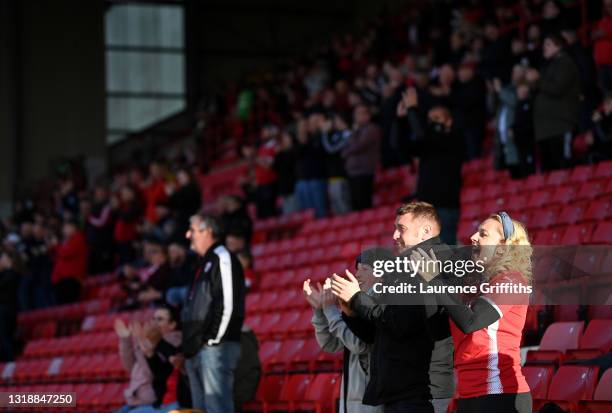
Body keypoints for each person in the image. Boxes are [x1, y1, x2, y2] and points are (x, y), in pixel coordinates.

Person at [331, 202, 456, 413]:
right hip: (398, 393)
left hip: (419, 394)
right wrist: (351, 312)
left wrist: (359, 298)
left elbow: (400, 323)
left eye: (402, 228)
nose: (395, 235)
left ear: (425, 232)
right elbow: (378, 333)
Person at [412, 212, 533, 413]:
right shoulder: (475, 287)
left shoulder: (512, 281)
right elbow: (437, 331)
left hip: (499, 393)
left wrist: (435, 281)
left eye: (483, 234)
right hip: (469, 394)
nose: (473, 238)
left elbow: (471, 322)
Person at [305, 248, 393, 413]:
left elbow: (360, 344)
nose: (358, 275)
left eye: (365, 269)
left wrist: (331, 310)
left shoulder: (382, 305)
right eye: (357, 269)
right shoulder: (360, 304)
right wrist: (319, 311)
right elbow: (331, 345)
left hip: (371, 404)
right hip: (352, 401)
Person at [182, 214, 245, 413]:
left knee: (217, 409)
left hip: (213, 349)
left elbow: (228, 303)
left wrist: (212, 341)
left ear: (207, 231)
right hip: (198, 349)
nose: (187, 234)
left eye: (192, 229)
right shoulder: (204, 262)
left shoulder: (222, 257)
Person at [397, 88, 463, 245]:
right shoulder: (428, 143)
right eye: (430, 119)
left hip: (445, 207)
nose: (433, 122)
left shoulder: (453, 139)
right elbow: (400, 146)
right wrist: (400, 120)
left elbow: (424, 137)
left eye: (437, 118)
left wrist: (412, 109)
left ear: (449, 121)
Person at [114, 306, 182, 413]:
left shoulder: (173, 342)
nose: (154, 322)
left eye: (159, 319)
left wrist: (139, 342)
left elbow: (152, 372)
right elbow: (130, 368)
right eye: (153, 319)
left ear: (172, 324)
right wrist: (125, 340)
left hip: (152, 402)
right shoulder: (150, 340)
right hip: (135, 402)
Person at [531, 33, 581, 171]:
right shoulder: (548, 66)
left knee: (563, 170)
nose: (544, 48)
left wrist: (537, 80)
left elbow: (557, 88)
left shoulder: (565, 63)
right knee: (549, 174)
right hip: (545, 130)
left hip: (560, 126)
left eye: (548, 44)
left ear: (559, 46)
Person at [341, 104, 381, 211]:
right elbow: (346, 149)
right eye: (356, 114)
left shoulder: (371, 129)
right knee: (355, 205)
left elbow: (358, 146)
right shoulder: (357, 131)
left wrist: (350, 134)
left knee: (364, 204)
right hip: (353, 173)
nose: (357, 117)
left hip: (364, 172)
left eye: (361, 113)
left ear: (368, 115)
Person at [51, 219, 88, 304]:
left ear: (73, 227)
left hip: (71, 280)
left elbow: (66, 253)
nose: (64, 230)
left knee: (68, 305)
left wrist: (56, 245)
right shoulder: (67, 241)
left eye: (66, 227)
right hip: (62, 280)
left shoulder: (78, 238)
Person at [321, 113, 352, 215]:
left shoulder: (348, 134)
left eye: (337, 121)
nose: (334, 124)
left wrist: (324, 133)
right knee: (335, 206)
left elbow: (331, 149)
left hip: (341, 174)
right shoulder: (335, 134)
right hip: (332, 175)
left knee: (342, 204)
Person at [0, 250, 21, 361]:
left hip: (7, 309)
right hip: (5, 308)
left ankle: (9, 362)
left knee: (5, 336)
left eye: (2, 258)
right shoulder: (4, 274)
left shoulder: (12, 273)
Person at [593, 0, 612, 93]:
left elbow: (601, 33)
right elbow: (593, 35)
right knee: (606, 98)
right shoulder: (603, 21)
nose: (609, 8)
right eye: (606, 5)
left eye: (610, 5)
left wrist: (603, 33)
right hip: (602, 66)